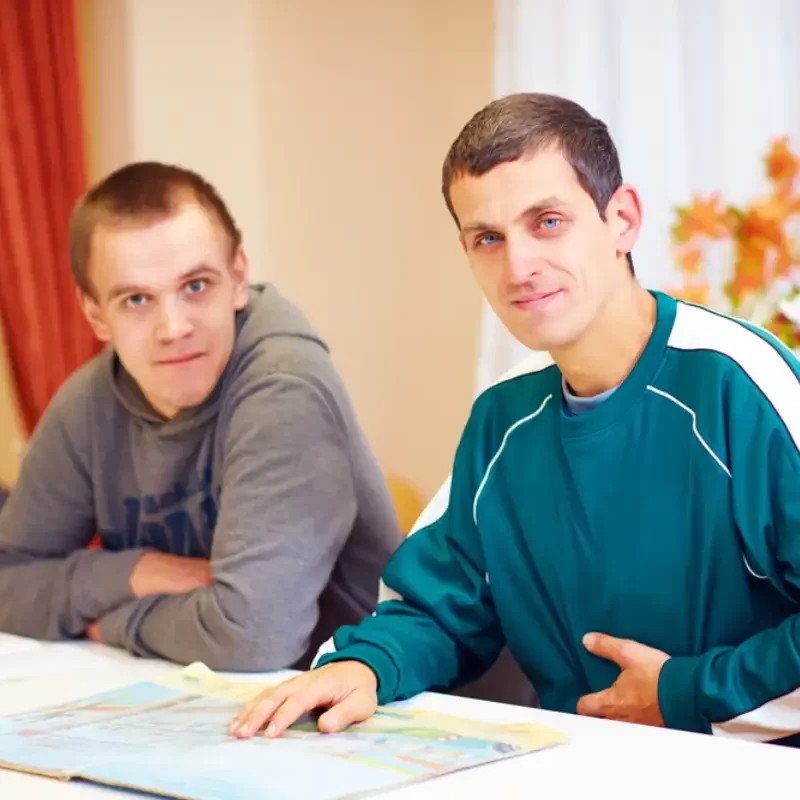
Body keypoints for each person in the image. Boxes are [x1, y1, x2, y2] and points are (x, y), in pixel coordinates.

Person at [230, 93, 800, 745]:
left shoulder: (738, 383)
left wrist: (683, 693)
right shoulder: (503, 419)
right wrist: (366, 665)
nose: (519, 267)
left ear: (622, 220)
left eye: (548, 222)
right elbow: (438, 606)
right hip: (574, 769)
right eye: (488, 239)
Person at [0, 161, 402, 671]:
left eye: (195, 286)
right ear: (97, 315)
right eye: (137, 299)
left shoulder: (283, 386)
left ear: (238, 278)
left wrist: (114, 623)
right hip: (204, 710)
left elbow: (254, 638)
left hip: (360, 714)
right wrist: (137, 573)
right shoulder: (88, 405)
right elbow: (8, 583)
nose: (173, 328)